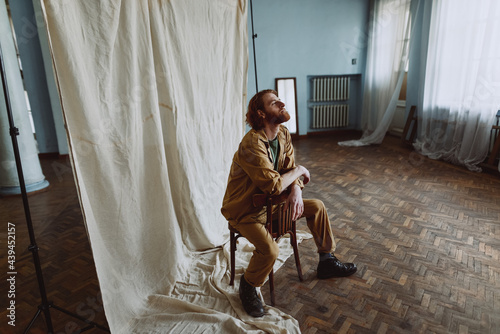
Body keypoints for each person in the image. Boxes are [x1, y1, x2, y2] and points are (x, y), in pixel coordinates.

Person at [221, 89, 357, 317]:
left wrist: (296, 189)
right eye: (274, 103)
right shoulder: (251, 144)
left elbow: (288, 171)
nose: (282, 103)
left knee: (318, 207)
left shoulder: (283, 134)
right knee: (270, 251)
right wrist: (300, 171)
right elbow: (274, 185)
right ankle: (248, 285)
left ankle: (327, 260)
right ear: (262, 114)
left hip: (271, 205)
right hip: (247, 211)